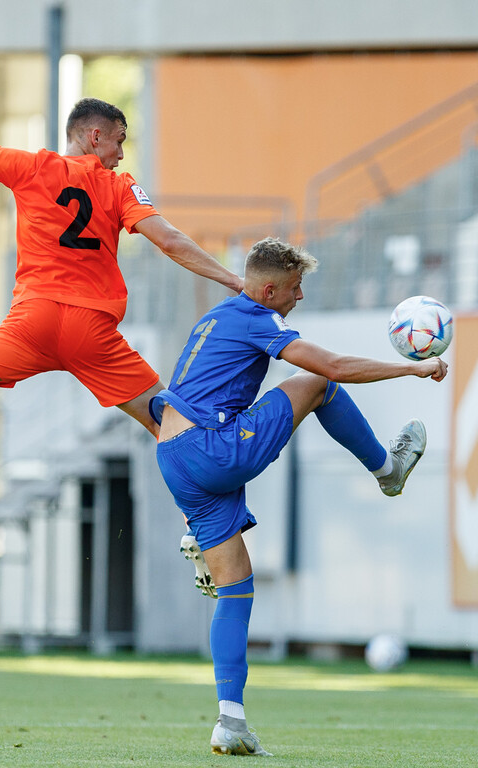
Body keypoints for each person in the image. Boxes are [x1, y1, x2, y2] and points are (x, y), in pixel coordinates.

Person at [150, 237, 448, 756]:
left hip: (174, 457)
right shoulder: (257, 319)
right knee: (316, 384)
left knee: (235, 589)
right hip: (214, 448)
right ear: (268, 290)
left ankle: (231, 721)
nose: (300, 296)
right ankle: (387, 469)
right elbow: (331, 366)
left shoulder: (218, 316)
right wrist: (411, 368)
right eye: (294, 288)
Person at [0, 28, 242, 437]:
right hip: (90, 328)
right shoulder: (120, 185)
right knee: (171, 426)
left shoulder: (32, 167)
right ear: (95, 136)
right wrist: (233, 279)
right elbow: (170, 240)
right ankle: (209, 497)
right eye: (119, 141)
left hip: (33, 319)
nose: (122, 154)